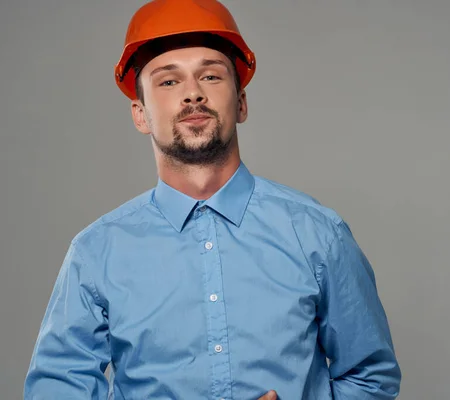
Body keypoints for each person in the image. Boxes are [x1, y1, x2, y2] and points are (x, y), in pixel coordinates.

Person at [23, 0, 401, 399]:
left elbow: (370, 378)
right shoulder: (96, 253)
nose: (192, 94)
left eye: (211, 76)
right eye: (168, 82)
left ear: (241, 104)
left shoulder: (318, 234)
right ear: (140, 114)